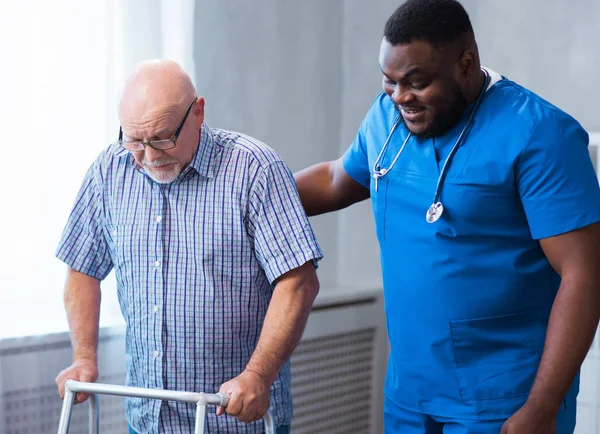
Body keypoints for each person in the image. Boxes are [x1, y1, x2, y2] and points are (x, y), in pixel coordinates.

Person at [294, 0, 600, 433]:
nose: (401, 97)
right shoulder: (388, 118)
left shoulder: (540, 135)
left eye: (417, 82)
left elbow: (583, 274)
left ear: (465, 63)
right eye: (390, 82)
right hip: (410, 396)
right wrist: (244, 196)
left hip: (503, 400)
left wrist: (544, 404)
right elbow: (335, 179)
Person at [54, 59, 323, 434]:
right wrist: (83, 356)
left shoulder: (254, 169)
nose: (148, 157)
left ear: (198, 112)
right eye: (134, 141)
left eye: (162, 138)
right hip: (147, 421)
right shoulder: (109, 171)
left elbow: (298, 282)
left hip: (234, 421)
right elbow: (82, 267)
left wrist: (257, 375)